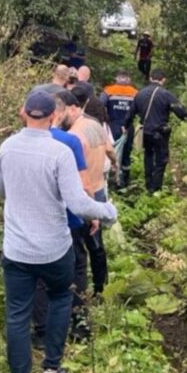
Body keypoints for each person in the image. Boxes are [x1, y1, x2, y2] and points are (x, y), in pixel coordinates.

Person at [0, 90, 117, 373]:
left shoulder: (7, 147)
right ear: (53, 117)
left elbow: (1, 190)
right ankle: (51, 370)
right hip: (53, 248)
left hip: (17, 250)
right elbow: (77, 203)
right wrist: (108, 212)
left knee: (17, 314)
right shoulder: (58, 151)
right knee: (61, 297)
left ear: (24, 112)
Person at [32, 92, 92, 348]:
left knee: (39, 277)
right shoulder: (70, 141)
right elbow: (84, 183)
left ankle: (43, 331)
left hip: (36, 221)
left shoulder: (19, 143)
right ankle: (78, 324)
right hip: (70, 219)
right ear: (58, 113)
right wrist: (92, 213)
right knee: (77, 268)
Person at [63, 93, 116, 296]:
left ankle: (78, 293)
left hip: (83, 194)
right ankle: (102, 288)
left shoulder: (73, 135)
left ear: (73, 108)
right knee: (96, 244)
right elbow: (111, 152)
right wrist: (115, 165)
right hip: (99, 189)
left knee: (77, 247)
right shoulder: (95, 125)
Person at [124, 69, 187, 192]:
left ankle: (148, 185)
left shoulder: (140, 94)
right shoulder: (166, 94)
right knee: (161, 160)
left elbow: (130, 113)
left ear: (150, 78)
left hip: (146, 132)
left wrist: (126, 126)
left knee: (148, 156)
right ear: (163, 80)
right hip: (160, 133)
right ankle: (156, 188)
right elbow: (179, 110)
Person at [100, 70, 138, 187]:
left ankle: (111, 180)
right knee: (126, 153)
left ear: (116, 79)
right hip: (128, 127)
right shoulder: (135, 92)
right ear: (128, 79)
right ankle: (125, 181)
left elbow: (100, 106)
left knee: (111, 152)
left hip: (112, 126)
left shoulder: (108, 91)